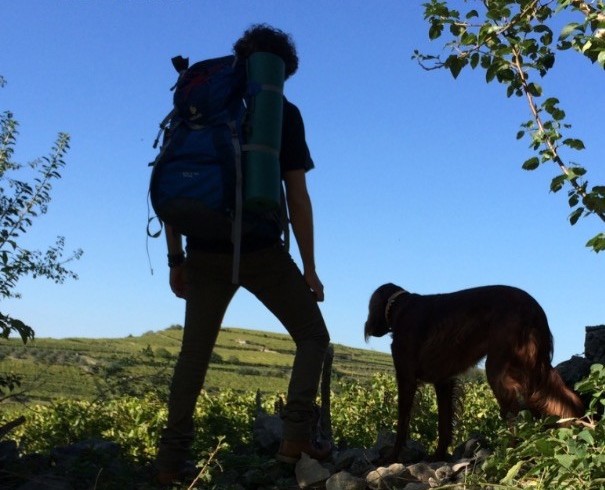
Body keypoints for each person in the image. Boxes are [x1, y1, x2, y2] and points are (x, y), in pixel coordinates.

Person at [155, 24, 331, 484]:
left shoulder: (198, 109)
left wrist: (177, 259)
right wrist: (310, 268)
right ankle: (295, 438)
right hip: (258, 248)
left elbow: (173, 187)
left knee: (193, 357)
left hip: (204, 249)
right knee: (313, 336)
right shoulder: (279, 113)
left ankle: (170, 465)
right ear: (279, 71)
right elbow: (297, 196)